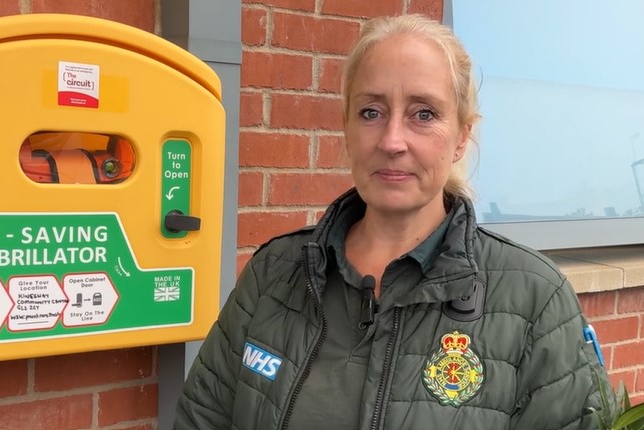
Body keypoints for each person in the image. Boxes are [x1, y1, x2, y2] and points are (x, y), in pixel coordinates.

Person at [175, 14, 609, 430]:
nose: (392, 141)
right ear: (346, 127)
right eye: (371, 112)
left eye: (424, 114)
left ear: (461, 136)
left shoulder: (535, 299)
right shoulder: (274, 274)